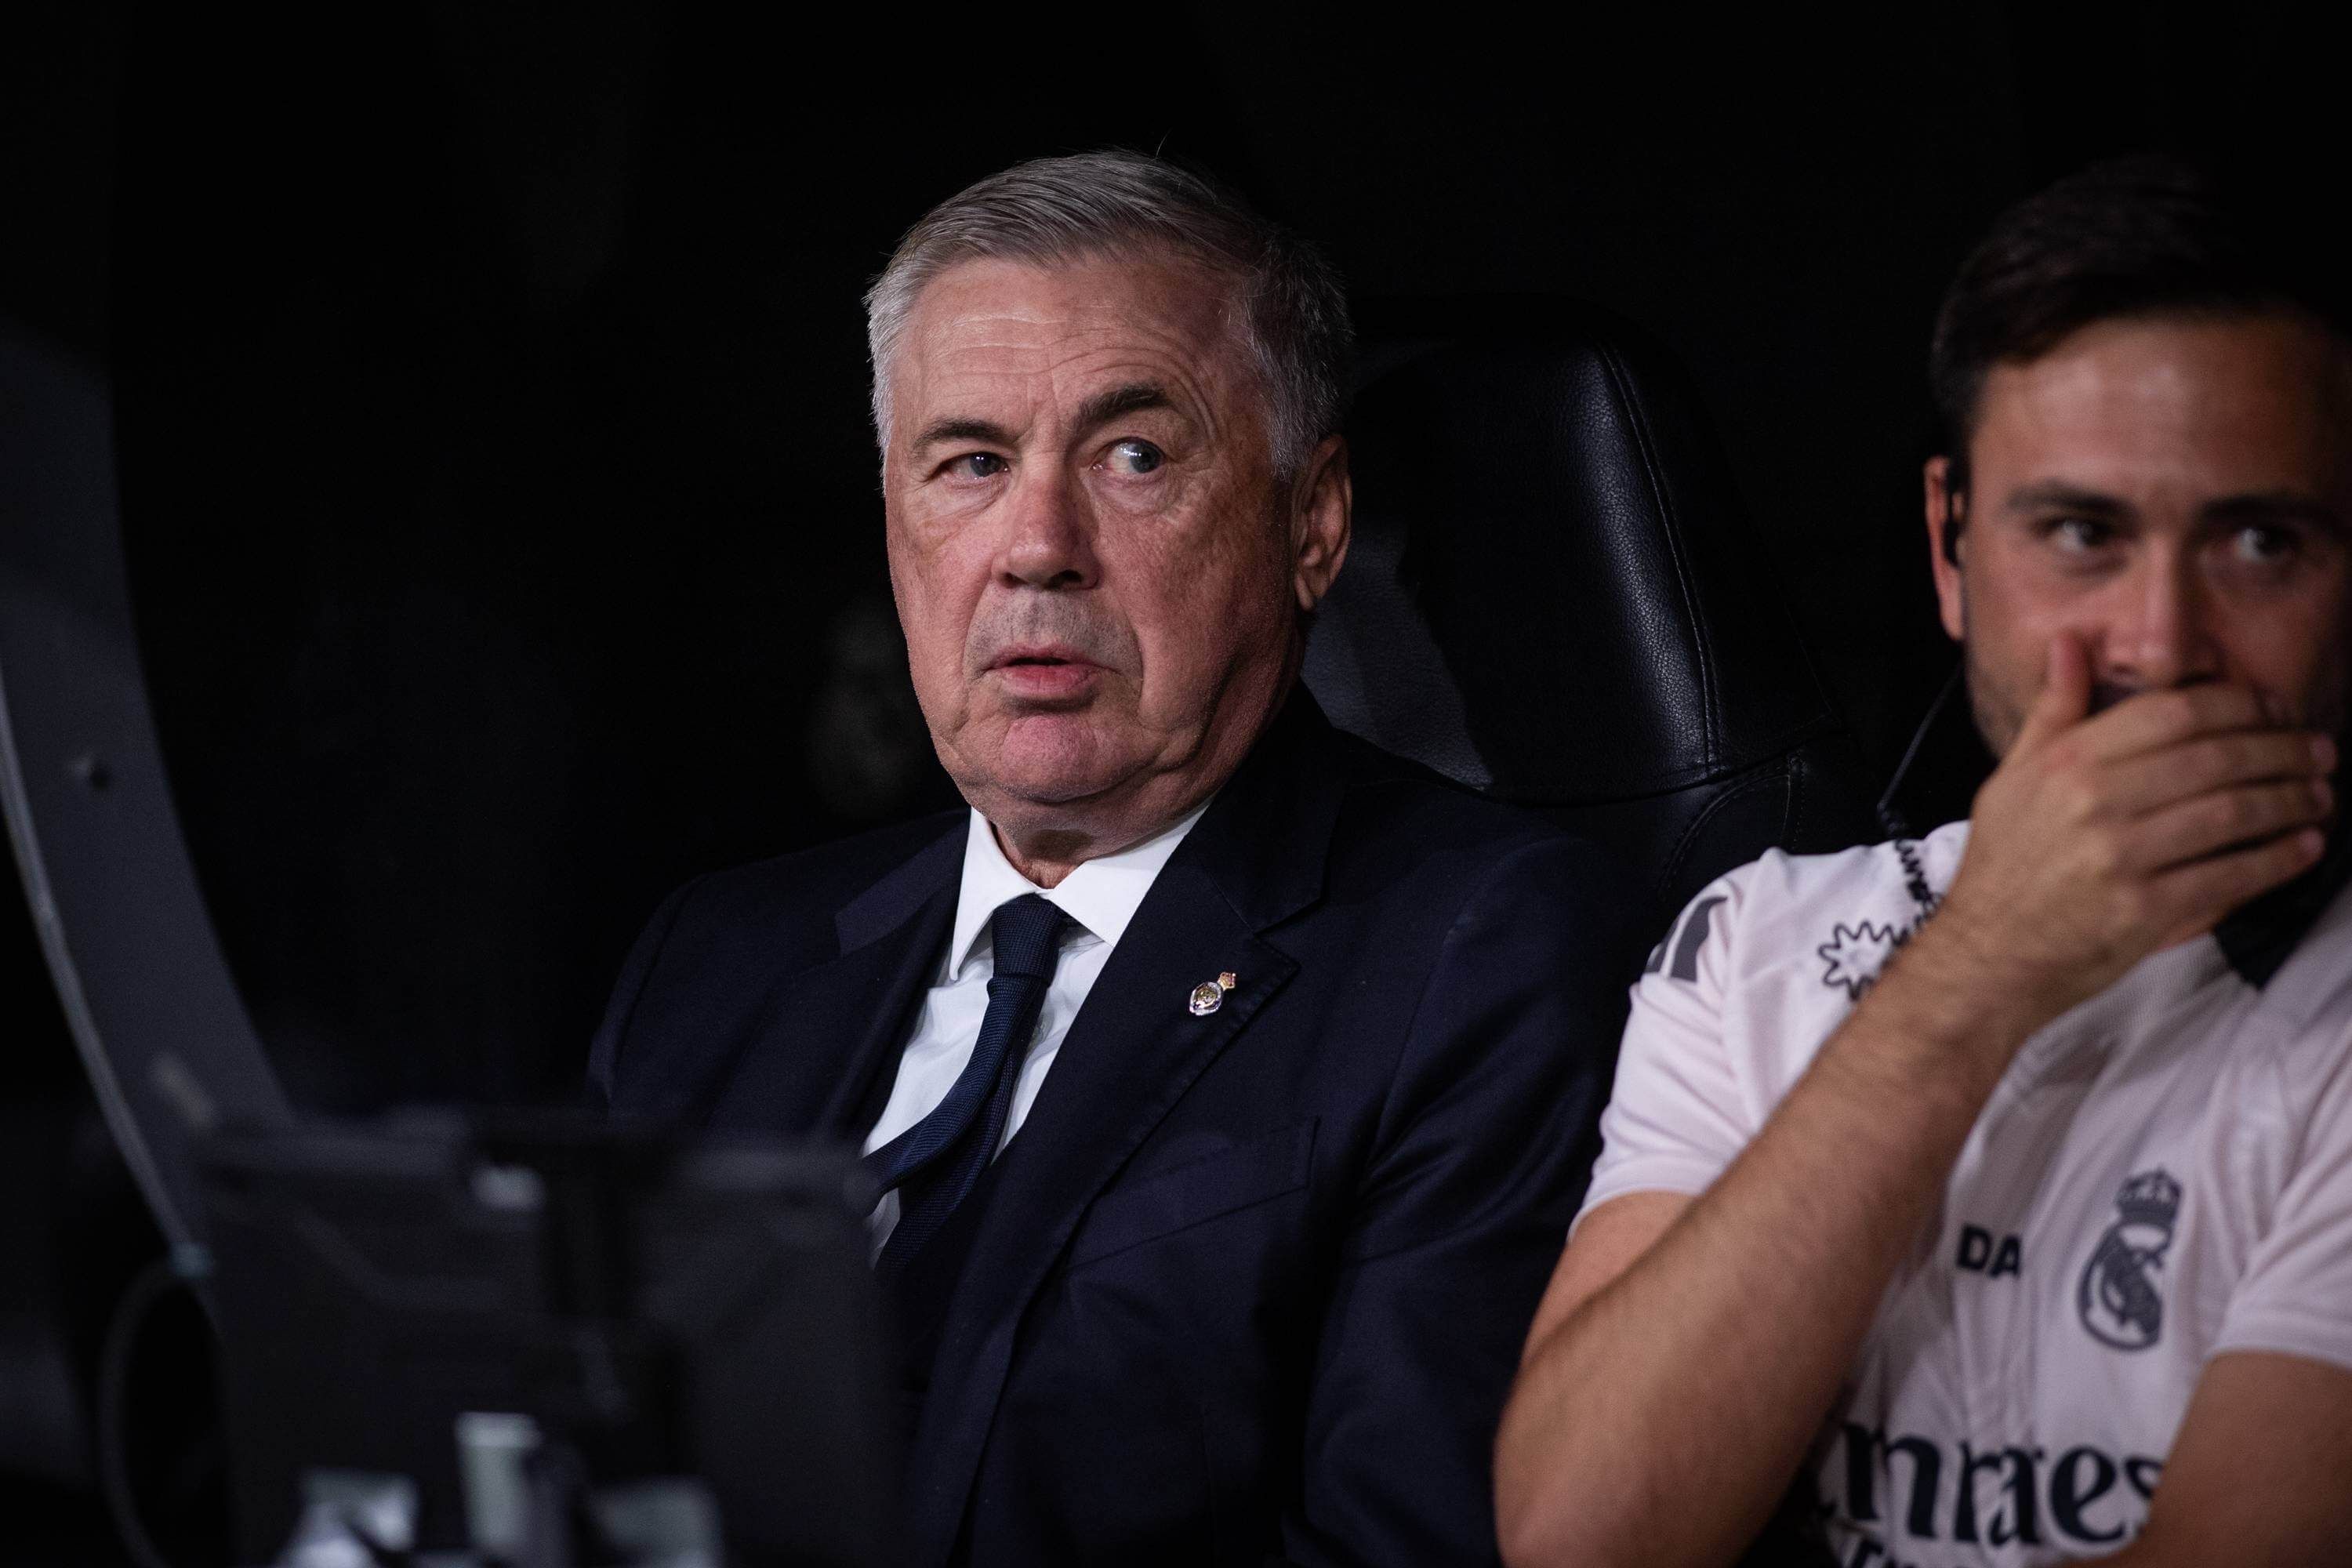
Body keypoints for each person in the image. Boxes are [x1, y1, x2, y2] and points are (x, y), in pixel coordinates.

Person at [590, 151, 1639, 1566]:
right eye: (970, 463)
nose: (1038, 548)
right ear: (894, 526)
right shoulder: (715, 963)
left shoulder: (1476, 952)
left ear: (1312, 523)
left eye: (1134, 455)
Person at [1495, 157, 2352, 1568]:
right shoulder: (1752, 941)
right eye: (2081, 533)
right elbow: (1587, 1533)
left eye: (2259, 542)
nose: (2160, 642)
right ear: (1953, 549)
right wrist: (1984, 966)